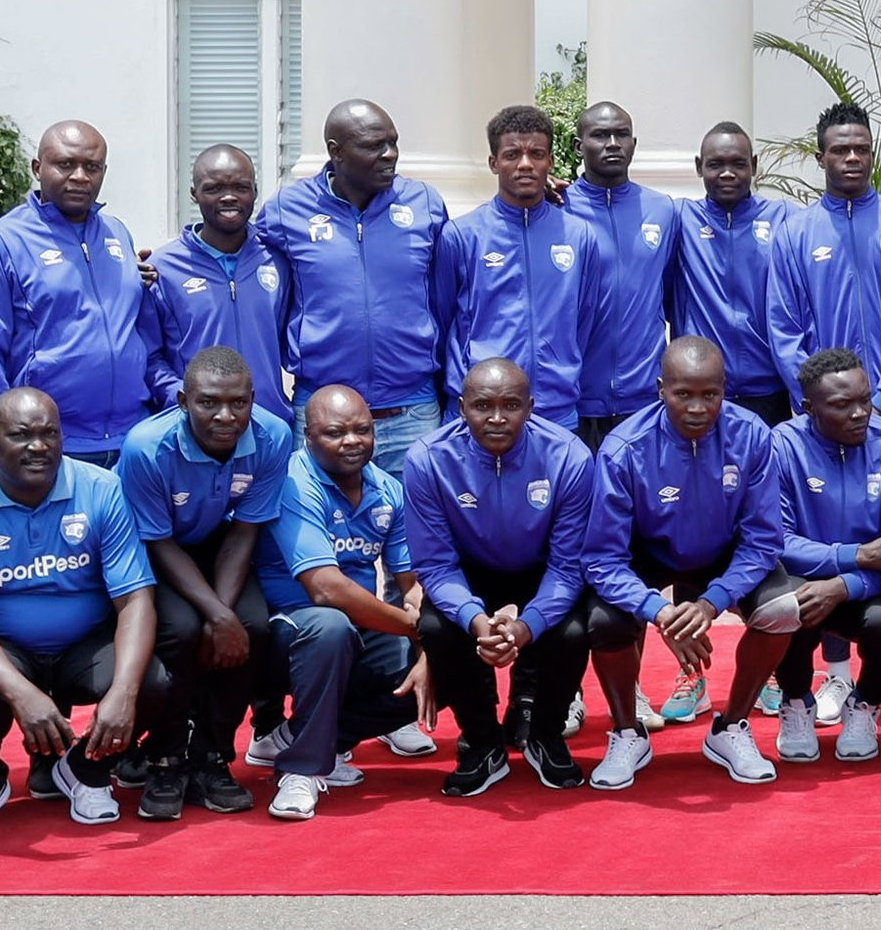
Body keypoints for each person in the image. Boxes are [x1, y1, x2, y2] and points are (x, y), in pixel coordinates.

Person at [0, 385, 162, 839]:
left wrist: (124, 692)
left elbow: (135, 600)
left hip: (84, 643)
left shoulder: (101, 489)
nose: (38, 446)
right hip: (4, 647)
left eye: (50, 433)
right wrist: (21, 693)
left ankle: (85, 770)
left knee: (152, 680)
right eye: (22, 434)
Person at [578, 337, 792, 790]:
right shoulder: (624, 448)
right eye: (683, 394)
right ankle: (626, 731)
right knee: (602, 620)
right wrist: (657, 610)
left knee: (783, 608)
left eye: (709, 394)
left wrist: (712, 602)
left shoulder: (752, 436)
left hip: (724, 554)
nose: (697, 407)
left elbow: (763, 540)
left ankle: (730, 725)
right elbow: (602, 558)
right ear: (661, 389)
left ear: (724, 389)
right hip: (649, 556)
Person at [403, 357, 602, 794]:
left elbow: (568, 566)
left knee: (573, 630)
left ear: (530, 407)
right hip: (468, 574)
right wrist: (478, 623)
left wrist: (526, 628)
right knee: (436, 625)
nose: (496, 417)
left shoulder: (568, 456)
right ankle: (482, 741)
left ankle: (545, 734)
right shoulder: (427, 460)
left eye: (511, 405)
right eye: (482, 406)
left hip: (541, 571)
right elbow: (435, 565)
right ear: (460, 407)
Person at [108, 349, 290, 818]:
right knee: (181, 630)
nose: (225, 416)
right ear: (184, 400)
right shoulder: (146, 446)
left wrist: (224, 617)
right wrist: (211, 615)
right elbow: (158, 541)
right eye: (209, 403)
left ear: (253, 398)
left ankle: (212, 755)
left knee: (250, 627)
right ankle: (164, 757)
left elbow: (246, 530)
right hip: (156, 550)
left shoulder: (273, 436)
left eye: (237, 403)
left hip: (221, 546)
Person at [742, 348, 881, 764]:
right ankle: (796, 703)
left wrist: (845, 585)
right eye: (843, 405)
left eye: (865, 399)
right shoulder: (780, 446)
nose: (861, 413)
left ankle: (864, 705)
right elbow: (775, 542)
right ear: (809, 408)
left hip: (871, 589)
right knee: (784, 603)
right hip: (805, 580)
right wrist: (856, 555)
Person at [256, 384, 420, 820]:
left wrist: (432, 637)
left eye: (362, 430)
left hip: (359, 625)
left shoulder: (387, 488)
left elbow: (411, 578)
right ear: (308, 436)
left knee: (449, 653)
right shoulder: (293, 483)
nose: (352, 441)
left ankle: (302, 737)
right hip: (285, 630)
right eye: (335, 433)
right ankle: (300, 771)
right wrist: (412, 626)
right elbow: (325, 588)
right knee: (329, 624)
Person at [262, 100, 454, 470]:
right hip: (323, 413)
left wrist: (541, 201)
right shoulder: (288, 210)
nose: (390, 155)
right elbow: (239, 260)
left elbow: (450, 286)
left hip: (412, 412)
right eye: (374, 146)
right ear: (336, 152)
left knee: (410, 527)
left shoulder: (424, 203)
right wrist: (157, 267)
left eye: (394, 143)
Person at [0, 121, 163, 460]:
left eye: (92, 167)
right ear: (38, 169)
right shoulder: (2, 242)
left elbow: (140, 332)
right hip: (51, 445)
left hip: (131, 438)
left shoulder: (117, 233)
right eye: (66, 164)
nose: (80, 176)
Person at [441, 105, 618, 441]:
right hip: (481, 415)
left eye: (536, 154)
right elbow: (444, 316)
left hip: (556, 413)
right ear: (494, 162)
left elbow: (584, 319)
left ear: (550, 161)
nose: (525, 164)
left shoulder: (579, 237)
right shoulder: (462, 235)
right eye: (512, 154)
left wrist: (560, 368)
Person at [771, 102, 881, 432]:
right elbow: (785, 331)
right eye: (840, 150)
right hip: (824, 421)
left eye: (861, 149)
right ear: (820, 157)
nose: (852, 158)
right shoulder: (795, 234)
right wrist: (824, 402)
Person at [149, 146, 292, 431]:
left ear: (254, 189)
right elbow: (149, 356)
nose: (229, 197)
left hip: (269, 427)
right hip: (198, 429)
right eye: (214, 188)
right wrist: (187, 400)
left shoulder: (278, 259)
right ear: (194, 193)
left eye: (240, 187)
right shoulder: (162, 268)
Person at [559, 100, 679, 438]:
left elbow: (667, 294)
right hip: (576, 399)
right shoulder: (558, 208)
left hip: (643, 399)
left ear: (634, 144)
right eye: (600, 135)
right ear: (578, 146)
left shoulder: (662, 210)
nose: (613, 144)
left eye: (622, 134)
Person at [671, 122, 802, 424]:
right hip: (703, 391)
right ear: (699, 167)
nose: (727, 173)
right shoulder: (679, 220)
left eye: (738, 164)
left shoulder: (786, 219)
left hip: (770, 391)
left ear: (753, 166)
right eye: (715, 164)